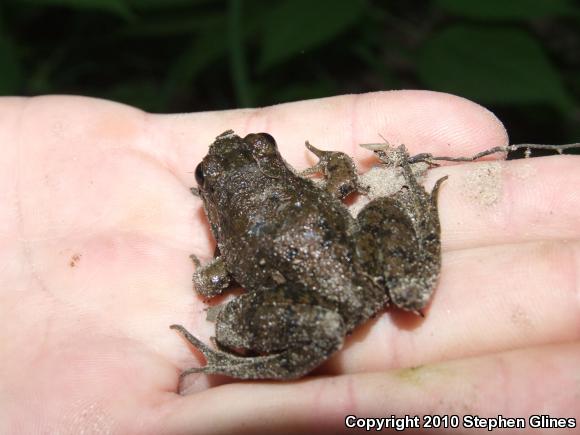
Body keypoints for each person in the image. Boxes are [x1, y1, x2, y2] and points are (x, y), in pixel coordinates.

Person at [1, 91, 578, 434]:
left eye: (260, 146)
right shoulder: (303, 186)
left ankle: (249, 364)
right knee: (383, 219)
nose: (252, 148)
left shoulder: (228, 238)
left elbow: (210, 282)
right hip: (364, 282)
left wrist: (209, 263)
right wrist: (385, 190)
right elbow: (347, 183)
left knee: (224, 321)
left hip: (327, 300)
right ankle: (411, 263)